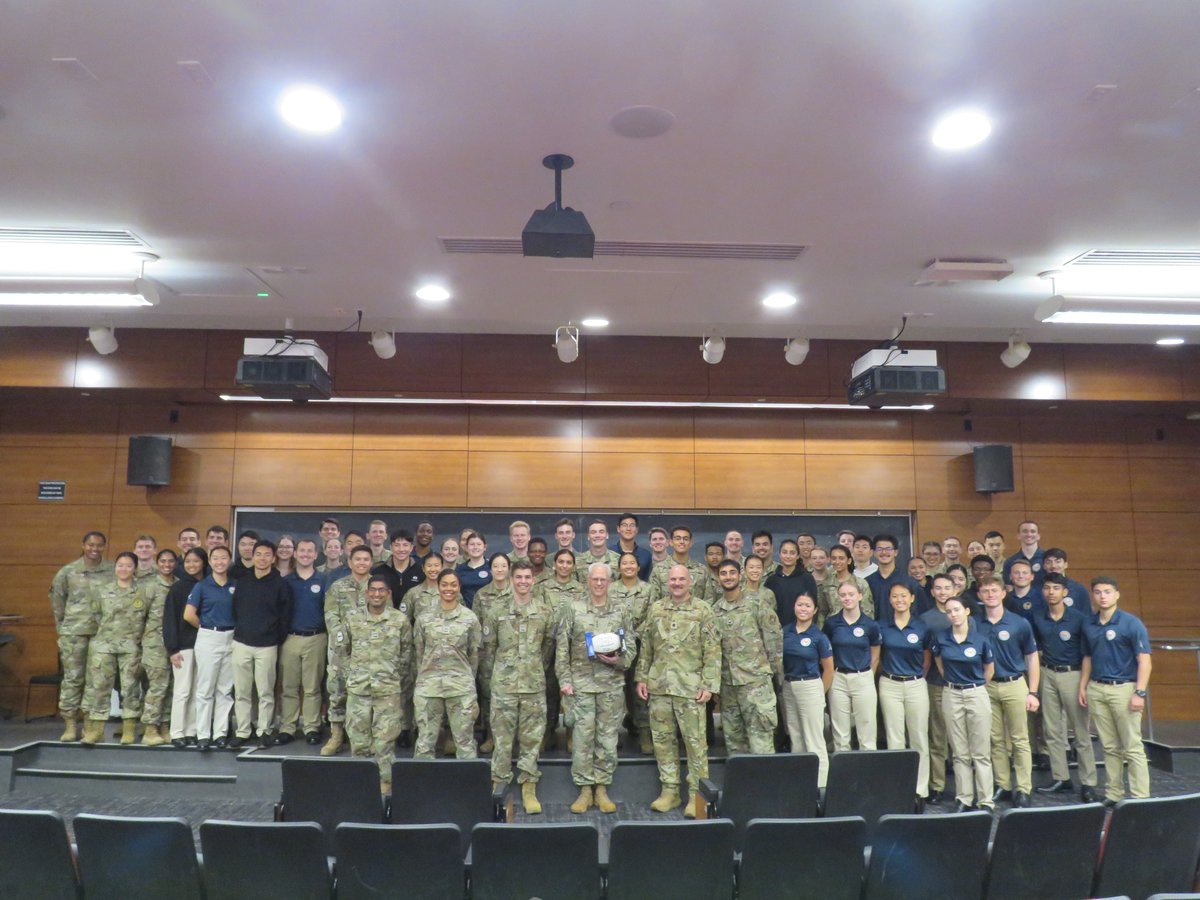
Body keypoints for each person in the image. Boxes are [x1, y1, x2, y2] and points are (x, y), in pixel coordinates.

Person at [636, 564, 721, 818]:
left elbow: (713, 650)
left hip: (690, 689)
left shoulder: (703, 611)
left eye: (681, 579)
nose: (676, 583)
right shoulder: (657, 609)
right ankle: (670, 791)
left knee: (695, 745)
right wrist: (641, 677)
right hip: (660, 687)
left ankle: (697, 796)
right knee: (663, 743)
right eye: (672, 579)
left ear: (690, 581)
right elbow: (647, 647)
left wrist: (709, 685)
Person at [558, 563, 636, 814]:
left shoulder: (621, 610)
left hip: (611, 685)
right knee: (582, 739)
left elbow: (631, 647)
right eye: (595, 579)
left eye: (604, 579)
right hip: (580, 686)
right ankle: (584, 789)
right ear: (588, 581)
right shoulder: (573, 608)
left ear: (610, 582)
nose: (599, 583)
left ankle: (601, 787)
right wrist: (564, 680)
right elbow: (562, 648)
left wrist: (620, 661)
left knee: (607, 738)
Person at [480, 561, 555, 814]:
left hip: (533, 684)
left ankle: (528, 785)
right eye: (519, 577)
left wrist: (534, 669)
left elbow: (547, 649)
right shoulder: (496, 609)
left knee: (531, 738)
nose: (523, 581)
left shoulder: (544, 611)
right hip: (504, 685)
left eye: (527, 577)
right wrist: (494, 681)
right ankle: (499, 781)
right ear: (511, 579)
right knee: (502, 739)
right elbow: (488, 650)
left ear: (533, 580)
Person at [1079, 575, 1152, 805]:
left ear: (1117, 594)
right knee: (1110, 747)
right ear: (1093, 595)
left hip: (1124, 689)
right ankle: (1114, 794)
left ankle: (1140, 797)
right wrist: (1083, 686)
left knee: (1132, 746)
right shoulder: (1089, 624)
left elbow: (1145, 661)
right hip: (1097, 689)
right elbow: (1087, 657)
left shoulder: (1131, 623)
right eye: (1098, 592)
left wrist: (1139, 692)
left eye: (1107, 591)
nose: (1103, 596)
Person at [1032, 573, 1099, 802]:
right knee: (1052, 730)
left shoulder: (1079, 619)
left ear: (1065, 592)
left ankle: (1088, 782)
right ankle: (1061, 778)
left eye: (1056, 588)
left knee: (1080, 732)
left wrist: (1083, 685)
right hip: (1047, 673)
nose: (1051, 592)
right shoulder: (1038, 617)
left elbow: (1088, 654)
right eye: (1047, 588)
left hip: (1073, 674)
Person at [345, 575, 413, 795]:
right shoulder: (352, 618)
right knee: (358, 740)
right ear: (366, 593)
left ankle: (385, 785)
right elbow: (343, 651)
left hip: (388, 690)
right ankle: (359, 785)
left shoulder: (399, 620)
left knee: (385, 742)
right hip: (359, 688)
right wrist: (354, 674)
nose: (376, 594)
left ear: (388, 594)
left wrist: (393, 677)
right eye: (372, 590)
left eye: (381, 590)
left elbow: (407, 654)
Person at [976, 575, 1040, 807]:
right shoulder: (975, 623)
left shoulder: (1019, 623)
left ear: (1004, 593)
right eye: (986, 591)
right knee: (994, 739)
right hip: (987, 686)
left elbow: (1032, 657)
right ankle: (1002, 784)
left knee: (1020, 739)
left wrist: (1033, 691)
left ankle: (1023, 788)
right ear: (980, 596)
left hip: (1015, 684)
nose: (990, 594)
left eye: (994, 590)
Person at [931, 596, 995, 812]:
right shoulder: (941, 638)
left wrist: (975, 687)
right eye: (949, 611)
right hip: (951, 693)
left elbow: (989, 669)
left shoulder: (981, 640)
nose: (953, 614)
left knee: (981, 751)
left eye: (957, 610)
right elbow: (939, 662)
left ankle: (985, 799)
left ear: (967, 611)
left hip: (976, 692)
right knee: (959, 751)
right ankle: (964, 798)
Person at [712, 559, 782, 755]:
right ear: (718, 578)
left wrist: (774, 674)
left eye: (732, 572)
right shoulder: (715, 610)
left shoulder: (757, 604)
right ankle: (741, 786)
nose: (728, 577)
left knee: (761, 742)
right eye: (723, 573)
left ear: (740, 575)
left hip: (755, 683)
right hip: (728, 686)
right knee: (734, 744)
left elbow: (774, 641)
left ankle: (764, 786)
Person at [49, 531, 114, 741]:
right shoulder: (68, 572)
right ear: (83, 545)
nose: (95, 549)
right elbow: (57, 600)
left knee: (96, 681)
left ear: (104, 546)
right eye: (91, 545)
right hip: (73, 633)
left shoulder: (112, 570)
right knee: (73, 679)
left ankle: (89, 724)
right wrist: (62, 627)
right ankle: (69, 724)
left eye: (99, 545)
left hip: (101, 634)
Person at [229, 540, 292, 749]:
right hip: (241, 642)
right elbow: (235, 609)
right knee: (242, 691)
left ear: (273, 558)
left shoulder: (281, 584)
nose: (262, 558)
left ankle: (264, 730)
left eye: (267, 554)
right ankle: (243, 730)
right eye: (259, 554)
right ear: (252, 556)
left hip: (267, 645)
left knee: (265, 691)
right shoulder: (243, 581)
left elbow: (285, 617)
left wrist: (274, 638)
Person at [80, 552, 148, 745]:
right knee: (100, 688)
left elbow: (146, 619)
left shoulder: (142, 591)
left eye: (128, 565)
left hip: (130, 646)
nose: (123, 569)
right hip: (104, 646)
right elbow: (94, 615)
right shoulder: (102, 590)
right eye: (120, 565)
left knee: (130, 688)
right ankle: (97, 730)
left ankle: (129, 729)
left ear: (135, 568)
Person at [413, 570, 482, 759]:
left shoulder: (469, 618)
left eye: (453, 584)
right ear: (438, 586)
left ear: (459, 587)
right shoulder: (424, 618)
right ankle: (419, 787)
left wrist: (466, 678)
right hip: (429, 687)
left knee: (465, 742)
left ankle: (466, 787)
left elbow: (474, 654)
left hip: (460, 687)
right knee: (425, 742)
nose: (448, 589)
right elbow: (419, 652)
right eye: (444, 584)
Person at [878, 583, 932, 806]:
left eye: (903, 596)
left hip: (915, 684)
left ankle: (920, 789)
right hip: (889, 684)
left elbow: (927, 657)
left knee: (919, 736)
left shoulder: (922, 627)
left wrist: (917, 677)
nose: (899, 599)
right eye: (894, 596)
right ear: (890, 600)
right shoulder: (882, 627)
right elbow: (877, 656)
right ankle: (898, 788)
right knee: (895, 738)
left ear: (912, 598)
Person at [322, 546, 374, 756]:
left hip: (368, 651)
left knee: (366, 694)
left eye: (366, 560)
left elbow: (384, 614)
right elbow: (331, 615)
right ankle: (336, 735)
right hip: (341, 651)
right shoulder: (338, 586)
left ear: (371, 562)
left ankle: (362, 737)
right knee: (337, 692)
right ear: (350, 562)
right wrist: (343, 637)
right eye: (358, 559)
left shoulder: (377, 587)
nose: (361, 563)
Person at [185, 545, 237, 749]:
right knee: (205, 688)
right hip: (208, 636)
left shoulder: (236, 584)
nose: (220, 562)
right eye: (215, 558)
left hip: (231, 637)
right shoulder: (202, 586)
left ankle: (220, 733)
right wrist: (207, 628)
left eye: (223, 558)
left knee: (224, 690)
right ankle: (203, 734)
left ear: (229, 560)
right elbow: (189, 615)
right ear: (210, 562)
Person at [279, 538, 329, 745]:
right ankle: (288, 727)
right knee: (289, 687)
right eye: (302, 551)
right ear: (295, 554)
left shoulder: (324, 580)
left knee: (312, 687)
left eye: (310, 551)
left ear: (316, 555)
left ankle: (311, 726)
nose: (306, 554)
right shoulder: (286, 581)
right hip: (290, 638)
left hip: (316, 638)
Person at [781, 592, 833, 786]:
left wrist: (820, 693)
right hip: (789, 686)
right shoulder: (785, 631)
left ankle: (820, 786)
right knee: (795, 737)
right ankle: (800, 783)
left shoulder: (819, 637)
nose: (803, 609)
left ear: (815, 610)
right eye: (800, 604)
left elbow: (828, 669)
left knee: (814, 739)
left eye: (807, 606)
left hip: (810, 686)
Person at [823, 580, 881, 751]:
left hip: (863, 676)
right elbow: (827, 652)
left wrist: (868, 675)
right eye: (843, 595)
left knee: (867, 730)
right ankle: (843, 775)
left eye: (851, 594)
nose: (847, 598)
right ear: (838, 598)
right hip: (838, 678)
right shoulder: (831, 623)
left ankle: (868, 775)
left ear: (860, 596)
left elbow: (875, 654)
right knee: (841, 733)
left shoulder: (870, 625)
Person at [537, 548, 586, 750]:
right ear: (554, 564)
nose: (564, 566)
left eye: (568, 562)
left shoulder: (581, 589)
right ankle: (547, 732)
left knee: (571, 690)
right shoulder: (542, 587)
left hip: (573, 648)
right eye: (561, 562)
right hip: (548, 645)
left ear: (573, 566)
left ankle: (572, 733)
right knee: (548, 690)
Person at [611, 551, 654, 753]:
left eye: (632, 563)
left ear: (638, 567)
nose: (628, 566)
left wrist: (633, 634)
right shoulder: (610, 590)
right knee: (615, 692)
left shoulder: (648, 589)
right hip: (614, 650)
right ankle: (613, 734)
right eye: (624, 563)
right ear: (619, 568)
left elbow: (652, 617)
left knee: (641, 692)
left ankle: (645, 734)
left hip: (640, 647)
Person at [164, 547, 205, 748]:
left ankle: (192, 731)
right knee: (182, 691)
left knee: (198, 691)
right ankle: (177, 732)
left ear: (204, 563)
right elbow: (169, 620)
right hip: (183, 647)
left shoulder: (208, 585)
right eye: (188, 561)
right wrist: (172, 649)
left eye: (196, 561)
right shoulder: (177, 588)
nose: (191, 565)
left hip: (205, 646)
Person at [473, 552, 514, 753]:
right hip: (488, 655)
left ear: (509, 569)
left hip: (512, 654)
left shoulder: (517, 592)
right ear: (490, 569)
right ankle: (491, 736)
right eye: (495, 566)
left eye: (503, 566)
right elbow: (475, 626)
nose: (499, 570)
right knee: (490, 697)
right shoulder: (481, 595)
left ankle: (512, 738)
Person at [921, 573, 955, 803]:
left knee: (962, 739)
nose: (942, 592)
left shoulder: (964, 616)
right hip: (935, 684)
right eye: (938, 588)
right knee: (937, 737)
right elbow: (925, 656)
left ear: (955, 590)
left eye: (947, 588)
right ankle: (937, 786)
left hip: (962, 685)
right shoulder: (924, 620)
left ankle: (965, 789)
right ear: (932, 592)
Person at [139, 548, 177, 746]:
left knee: (171, 686)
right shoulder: (149, 585)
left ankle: (165, 725)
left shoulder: (178, 584)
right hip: (153, 643)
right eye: (163, 561)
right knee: (157, 686)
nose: (167, 565)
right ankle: (150, 728)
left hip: (174, 643)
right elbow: (138, 616)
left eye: (171, 561)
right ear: (157, 562)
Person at [866, 534, 927, 625]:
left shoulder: (910, 582)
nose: (884, 552)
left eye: (888, 548)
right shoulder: (867, 582)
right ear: (874, 553)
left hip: (904, 634)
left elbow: (922, 613)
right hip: (875, 634)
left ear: (896, 552)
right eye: (880, 549)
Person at [648, 525, 711, 602]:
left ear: (690, 543)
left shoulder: (702, 570)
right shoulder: (658, 569)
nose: (682, 542)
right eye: (677, 538)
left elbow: (708, 600)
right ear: (671, 542)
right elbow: (653, 600)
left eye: (685, 539)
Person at [764, 539, 818, 629]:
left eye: (792, 553)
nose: (788, 556)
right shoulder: (772, 580)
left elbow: (814, 606)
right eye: (784, 552)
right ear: (779, 555)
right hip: (777, 631)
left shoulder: (807, 578)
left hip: (801, 631)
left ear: (797, 556)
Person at [819, 545, 873, 623]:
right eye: (834, 558)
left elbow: (868, 611)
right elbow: (822, 612)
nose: (837, 562)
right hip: (832, 627)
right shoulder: (826, 584)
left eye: (841, 558)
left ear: (849, 561)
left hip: (856, 628)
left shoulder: (860, 583)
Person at [455, 531, 492, 608]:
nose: (475, 547)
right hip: (466, 614)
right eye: (472, 544)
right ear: (466, 547)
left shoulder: (491, 567)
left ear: (485, 547)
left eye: (479, 544)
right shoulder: (459, 569)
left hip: (487, 612)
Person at [1003, 520, 1045, 585]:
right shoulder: (1010, 562)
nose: (1029, 534)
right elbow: (1008, 587)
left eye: (1033, 531)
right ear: (1018, 536)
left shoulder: (1047, 559)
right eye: (1025, 531)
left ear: (1038, 536)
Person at [613, 513, 652, 580]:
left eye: (632, 525)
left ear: (637, 529)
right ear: (618, 529)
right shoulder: (609, 552)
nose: (628, 529)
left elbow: (647, 581)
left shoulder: (646, 555)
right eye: (624, 525)